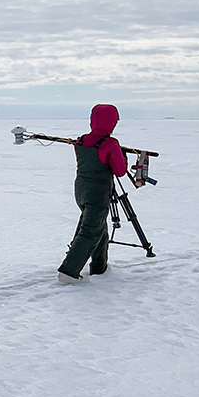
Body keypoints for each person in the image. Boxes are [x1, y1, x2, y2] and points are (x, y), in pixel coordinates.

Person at [57, 103, 128, 284]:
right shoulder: (110, 144)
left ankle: (99, 267)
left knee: (97, 226)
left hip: (81, 190)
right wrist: (122, 156)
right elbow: (119, 171)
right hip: (98, 192)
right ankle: (68, 272)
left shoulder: (80, 141)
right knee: (90, 231)